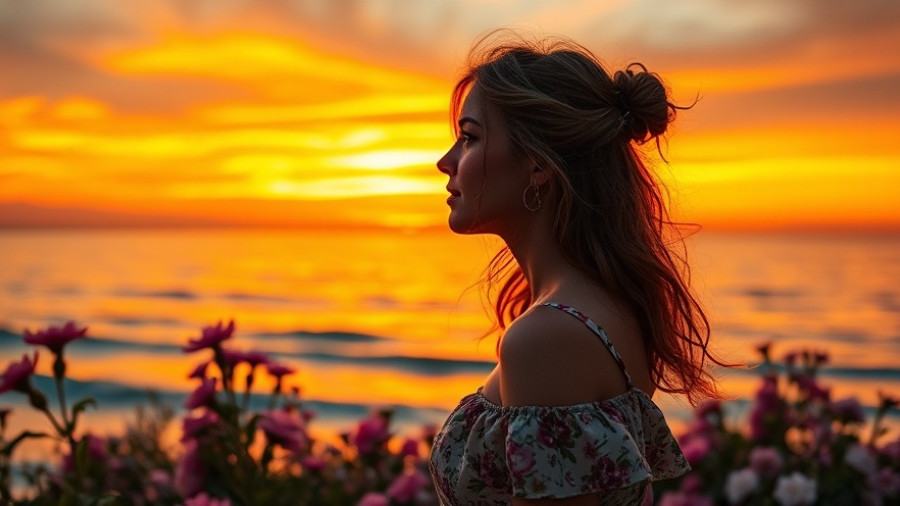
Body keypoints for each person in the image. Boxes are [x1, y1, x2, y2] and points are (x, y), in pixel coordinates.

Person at [428, 31, 726, 506]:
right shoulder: (602, 307)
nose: (446, 162)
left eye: (470, 137)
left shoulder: (549, 337)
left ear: (538, 165)